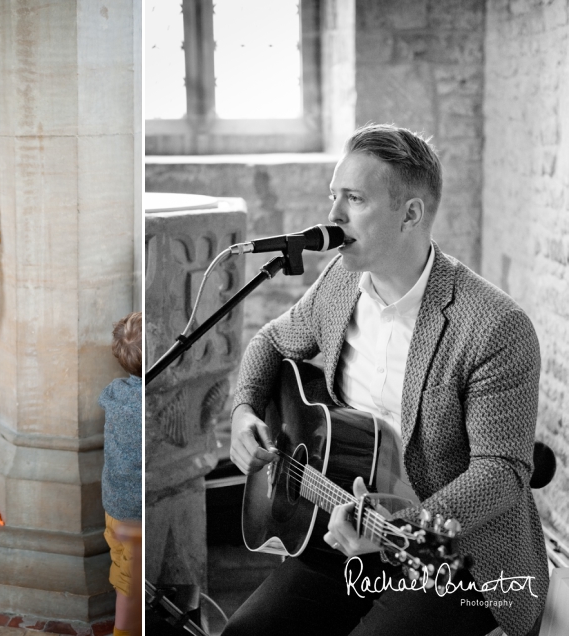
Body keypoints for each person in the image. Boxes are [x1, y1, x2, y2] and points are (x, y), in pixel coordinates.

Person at [226, 124, 548, 636]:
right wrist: (244, 410)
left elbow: (502, 472)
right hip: (340, 530)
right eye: (334, 196)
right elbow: (269, 342)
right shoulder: (339, 284)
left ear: (411, 213)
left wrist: (400, 529)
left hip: (457, 556)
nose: (332, 216)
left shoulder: (494, 326)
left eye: (354, 199)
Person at [99, 312, 142, 636]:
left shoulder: (114, 392)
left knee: (124, 576)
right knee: (132, 587)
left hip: (114, 507)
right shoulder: (151, 404)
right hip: (138, 518)